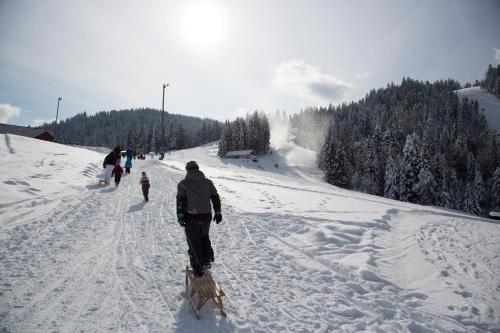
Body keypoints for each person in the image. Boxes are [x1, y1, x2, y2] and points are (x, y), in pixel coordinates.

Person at [176, 161, 222, 277]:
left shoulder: (183, 184)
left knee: (193, 241)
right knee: (204, 237)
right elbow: (215, 197)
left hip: (191, 217)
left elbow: (180, 201)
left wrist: (180, 216)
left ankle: (198, 268)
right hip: (206, 216)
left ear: (187, 170)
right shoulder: (208, 182)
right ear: (197, 169)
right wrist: (218, 212)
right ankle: (207, 259)